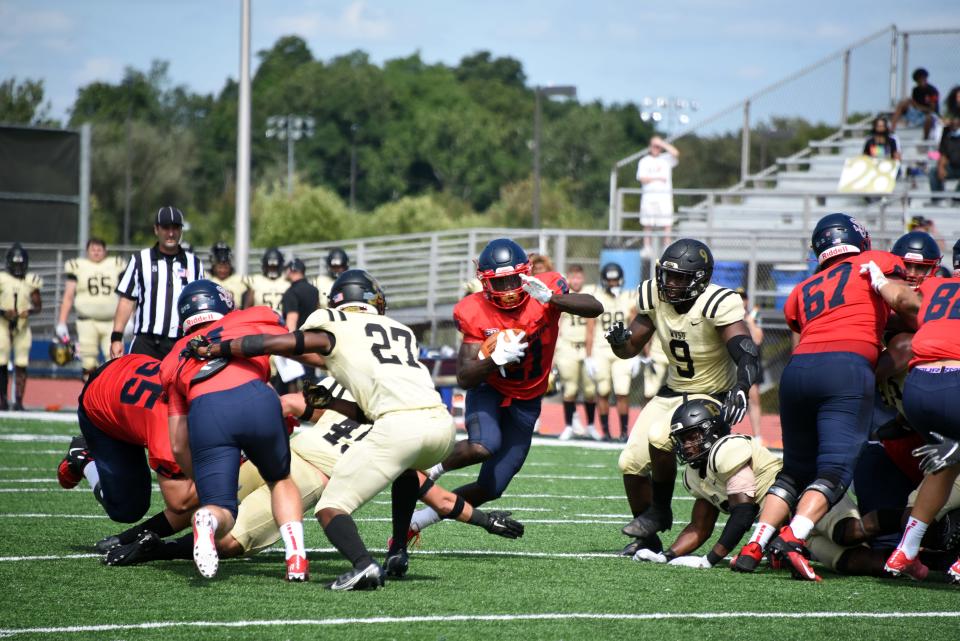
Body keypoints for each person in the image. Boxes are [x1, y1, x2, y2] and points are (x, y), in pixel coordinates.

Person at [187, 269, 459, 590]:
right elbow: (365, 404)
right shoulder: (401, 332)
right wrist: (333, 402)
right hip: (442, 426)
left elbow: (280, 343)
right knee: (406, 472)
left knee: (331, 507)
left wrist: (219, 348)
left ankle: (364, 565)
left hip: (399, 426)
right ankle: (397, 548)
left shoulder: (335, 323)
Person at [106, 388, 523, 566]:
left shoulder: (348, 401)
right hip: (306, 478)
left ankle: (129, 537)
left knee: (201, 498)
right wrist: (488, 521)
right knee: (230, 542)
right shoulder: (394, 437)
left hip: (279, 456)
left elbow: (286, 402)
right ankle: (153, 550)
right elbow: (439, 499)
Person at [732, 213, 906, 581]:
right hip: (845, 366)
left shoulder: (802, 289)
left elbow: (806, 325)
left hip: (798, 372)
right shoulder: (876, 263)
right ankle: (793, 535)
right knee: (835, 468)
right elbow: (900, 302)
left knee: (794, 470)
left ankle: (755, 543)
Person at [409, 239, 602, 539]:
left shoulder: (544, 288)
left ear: (525, 274)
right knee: (484, 444)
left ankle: (417, 522)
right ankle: (428, 471)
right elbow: (465, 376)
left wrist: (551, 299)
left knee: (492, 487)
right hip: (490, 389)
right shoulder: (473, 309)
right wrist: (493, 361)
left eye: (514, 280)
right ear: (484, 283)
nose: (509, 289)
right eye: (500, 282)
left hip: (528, 400)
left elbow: (594, 307)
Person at [603, 238, 756, 557]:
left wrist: (741, 386)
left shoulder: (718, 302)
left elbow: (744, 349)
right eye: (667, 275)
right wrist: (619, 343)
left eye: (680, 278)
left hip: (710, 395)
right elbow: (630, 348)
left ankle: (660, 511)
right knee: (628, 462)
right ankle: (648, 538)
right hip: (672, 391)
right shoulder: (653, 296)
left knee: (661, 437)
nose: (671, 284)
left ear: (700, 279)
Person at [160, 280, 307, 581]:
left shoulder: (174, 356)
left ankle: (207, 519)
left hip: (206, 412)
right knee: (279, 480)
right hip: (257, 399)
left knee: (221, 508)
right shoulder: (249, 317)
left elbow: (177, 444)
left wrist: (203, 481)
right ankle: (296, 560)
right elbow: (296, 344)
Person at [632, 398, 869, 575]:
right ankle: (900, 565)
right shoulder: (694, 474)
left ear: (712, 431)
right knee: (851, 562)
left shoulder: (727, 449)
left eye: (691, 436)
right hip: (791, 533)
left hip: (808, 501)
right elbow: (700, 526)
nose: (686, 445)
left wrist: (710, 560)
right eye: (682, 440)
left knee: (849, 533)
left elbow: (743, 512)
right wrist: (667, 556)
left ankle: (903, 527)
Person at [861, 243, 960, 583]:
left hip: (919, 390)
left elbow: (903, 300)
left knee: (946, 465)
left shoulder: (935, 287)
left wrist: (877, 280)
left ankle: (906, 549)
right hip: (957, 384)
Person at [55, 354, 197, 551]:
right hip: (101, 403)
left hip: (128, 374)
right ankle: (84, 457)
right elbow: (179, 502)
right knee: (127, 509)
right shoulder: (169, 429)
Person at [111, 207, 204, 360]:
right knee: (137, 383)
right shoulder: (140, 260)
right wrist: (116, 338)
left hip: (180, 343)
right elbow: (127, 300)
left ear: (181, 231)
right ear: (156, 229)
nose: (171, 233)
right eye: (166, 228)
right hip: (146, 343)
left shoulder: (194, 264)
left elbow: (199, 304)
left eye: (175, 228)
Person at [56, 238, 127, 381]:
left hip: (112, 322)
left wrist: (130, 318)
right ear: (87, 251)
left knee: (114, 361)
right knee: (88, 360)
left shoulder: (115, 265)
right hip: (87, 321)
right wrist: (62, 321)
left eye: (99, 249)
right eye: (93, 249)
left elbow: (127, 294)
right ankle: (89, 398)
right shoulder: (78, 266)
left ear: (105, 251)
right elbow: (68, 296)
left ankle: (109, 398)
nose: (96, 252)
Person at [585, 262, 639, 442]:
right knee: (603, 390)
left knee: (622, 391)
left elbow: (634, 325)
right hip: (601, 349)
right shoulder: (596, 297)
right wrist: (588, 356)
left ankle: (624, 432)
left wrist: (636, 353)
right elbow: (590, 328)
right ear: (604, 281)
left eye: (616, 280)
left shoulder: (629, 297)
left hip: (622, 350)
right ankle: (606, 432)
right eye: (610, 280)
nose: (613, 283)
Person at [555, 265, 599, 441]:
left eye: (579, 277)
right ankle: (568, 426)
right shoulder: (563, 295)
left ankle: (590, 426)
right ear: (568, 279)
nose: (576, 281)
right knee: (570, 389)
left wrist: (591, 354)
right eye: (573, 278)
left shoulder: (590, 293)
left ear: (583, 278)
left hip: (587, 348)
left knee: (590, 390)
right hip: (568, 346)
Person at [0, 243, 42, 410]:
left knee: (21, 363)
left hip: (22, 327)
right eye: (15, 264)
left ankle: (18, 401)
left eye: (20, 264)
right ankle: (2, 399)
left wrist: (28, 311)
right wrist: (3, 312)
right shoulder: (2, 278)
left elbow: (38, 306)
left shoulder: (31, 280)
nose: (18, 267)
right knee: (1, 362)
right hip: (2, 325)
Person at [636, 136, 680, 249]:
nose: (656, 148)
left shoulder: (666, 159)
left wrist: (662, 143)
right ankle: (647, 247)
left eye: (657, 146)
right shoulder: (644, 161)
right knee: (647, 223)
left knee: (667, 223)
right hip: (649, 197)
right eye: (654, 146)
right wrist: (658, 178)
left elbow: (676, 153)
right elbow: (642, 178)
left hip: (664, 198)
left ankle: (666, 246)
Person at [736, 288, 765, 445]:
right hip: (733, 363)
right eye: (738, 298)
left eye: (743, 298)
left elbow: (758, 339)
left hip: (750, 363)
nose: (741, 301)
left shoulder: (753, 316)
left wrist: (749, 321)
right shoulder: (729, 315)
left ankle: (758, 437)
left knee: (754, 399)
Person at [891, 67, 940, 140]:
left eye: (922, 78)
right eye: (918, 79)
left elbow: (932, 109)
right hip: (917, 114)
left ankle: (925, 139)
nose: (921, 81)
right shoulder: (915, 90)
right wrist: (912, 104)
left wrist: (917, 106)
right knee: (903, 103)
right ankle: (892, 129)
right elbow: (913, 105)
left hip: (929, 115)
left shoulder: (932, 91)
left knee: (929, 118)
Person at [929, 112, 960, 204]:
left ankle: (957, 199)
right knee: (934, 172)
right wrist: (941, 167)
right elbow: (944, 153)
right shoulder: (946, 133)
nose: (952, 122)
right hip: (952, 166)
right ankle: (938, 200)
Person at [281, 258, 319, 331]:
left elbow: (292, 321)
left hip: (299, 338)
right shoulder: (314, 290)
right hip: (313, 337)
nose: (285, 272)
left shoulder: (291, 292)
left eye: (286, 269)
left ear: (292, 269)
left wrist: (290, 340)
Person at [207, 241, 248, 308]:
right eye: (220, 267)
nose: (223, 270)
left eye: (226, 267)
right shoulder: (206, 279)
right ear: (213, 266)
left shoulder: (240, 280)